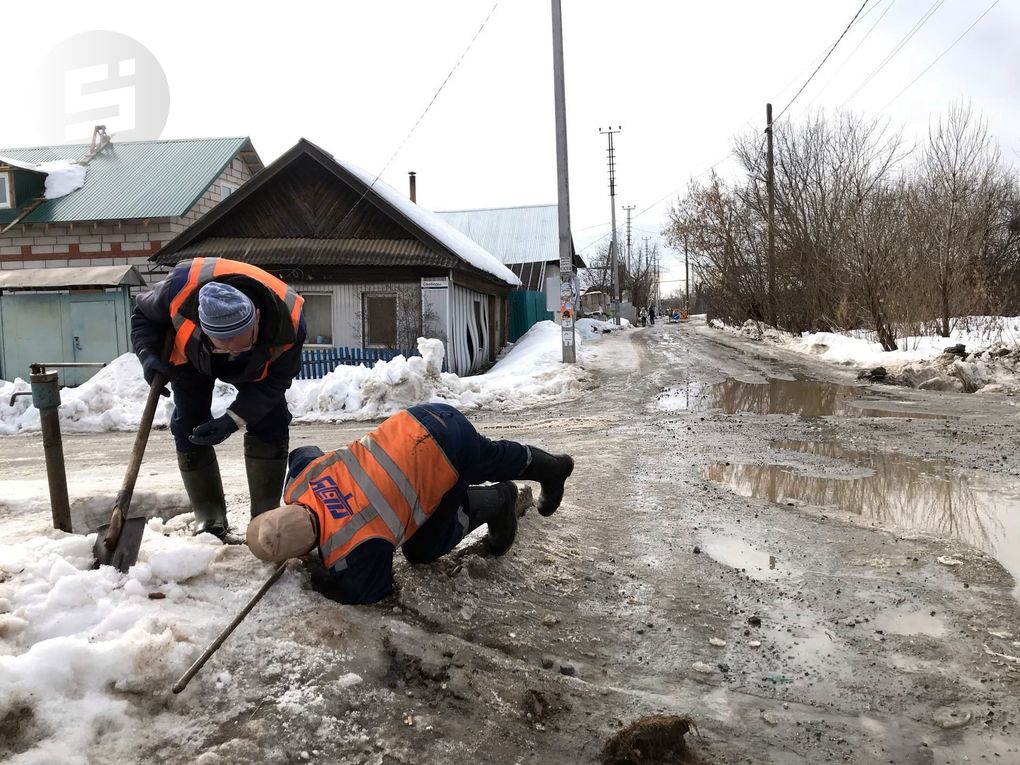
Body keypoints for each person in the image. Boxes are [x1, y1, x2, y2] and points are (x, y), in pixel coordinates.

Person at [245, 404, 575, 604]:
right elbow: (303, 452)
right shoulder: (300, 480)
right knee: (491, 457)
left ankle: (500, 499)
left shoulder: (350, 548)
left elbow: (370, 592)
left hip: (445, 452)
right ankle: (552, 468)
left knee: (421, 550)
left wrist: (317, 574)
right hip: (418, 419)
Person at [131, 256, 306, 539]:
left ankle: (264, 518)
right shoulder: (177, 289)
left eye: (240, 344)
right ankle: (209, 518)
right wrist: (147, 355)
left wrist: (233, 419)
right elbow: (143, 317)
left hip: (260, 361)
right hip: (192, 356)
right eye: (222, 346)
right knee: (188, 423)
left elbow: (275, 383)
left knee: (271, 420)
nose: (232, 353)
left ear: (256, 317)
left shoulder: (290, 322)